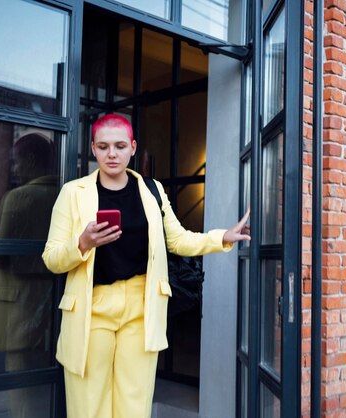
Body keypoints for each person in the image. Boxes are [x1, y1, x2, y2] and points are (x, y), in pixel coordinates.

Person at [42, 114, 250, 418]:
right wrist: (82, 243)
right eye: (103, 146)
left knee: (134, 406)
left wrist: (222, 238)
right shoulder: (73, 193)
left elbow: (177, 240)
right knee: (89, 406)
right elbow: (51, 257)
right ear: (93, 149)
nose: (112, 153)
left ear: (133, 147)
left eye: (120, 145)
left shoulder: (152, 191)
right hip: (92, 308)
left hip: (141, 308)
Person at [0, 133, 59, 417]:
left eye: (15, 163)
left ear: (30, 161)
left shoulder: (17, 198)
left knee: (23, 393)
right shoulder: (65, 194)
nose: (13, 169)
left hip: (19, 308)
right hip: (55, 305)